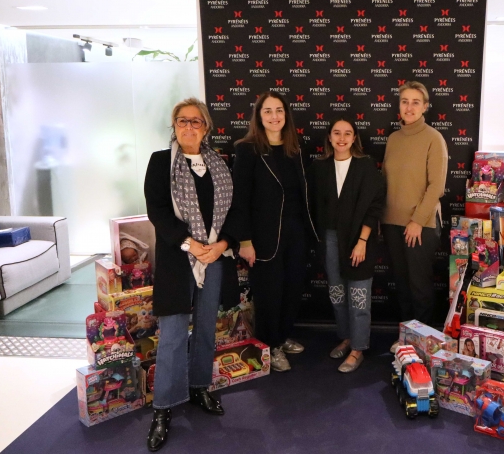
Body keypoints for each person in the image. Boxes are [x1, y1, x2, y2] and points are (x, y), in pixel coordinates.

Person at [143, 97, 235, 452]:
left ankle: (199, 387)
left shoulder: (220, 164)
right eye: (182, 121)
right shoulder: (160, 162)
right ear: (174, 125)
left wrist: (221, 243)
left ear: (207, 128)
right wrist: (189, 243)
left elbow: (234, 210)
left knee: (207, 327)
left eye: (196, 122)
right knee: (173, 334)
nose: (189, 127)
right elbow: (158, 211)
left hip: (214, 257)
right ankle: (163, 407)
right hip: (178, 258)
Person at [226, 91, 317, 372]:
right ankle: (269, 345)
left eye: (279, 110)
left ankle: (281, 337)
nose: (274, 116)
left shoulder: (296, 148)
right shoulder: (247, 149)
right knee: (268, 294)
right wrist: (244, 240)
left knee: (291, 291)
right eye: (268, 111)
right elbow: (239, 199)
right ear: (259, 116)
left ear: (286, 115)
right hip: (263, 238)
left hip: (296, 233)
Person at [309, 118, 385, 373]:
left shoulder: (365, 166)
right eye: (336, 133)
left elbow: (375, 207)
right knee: (337, 294)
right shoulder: (319, 168)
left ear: (355, 138)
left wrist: (362, 241)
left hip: (359, 238)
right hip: (330, 239)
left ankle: (358, 348)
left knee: (359, 297)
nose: (342, 138)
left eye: (347, 133)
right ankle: (347, 337)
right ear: (329, 137)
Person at [382, 81, 448, 353]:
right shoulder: (394, 138)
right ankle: (407, 339)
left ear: (425, 107)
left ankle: (424, 344)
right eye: (405, 101)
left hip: (420, 225)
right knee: (402, 284)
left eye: (415, 102)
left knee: (419, 286)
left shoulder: (434, 138)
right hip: (391, 223)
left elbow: (436, 185)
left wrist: (417, 221)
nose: (409, 107)